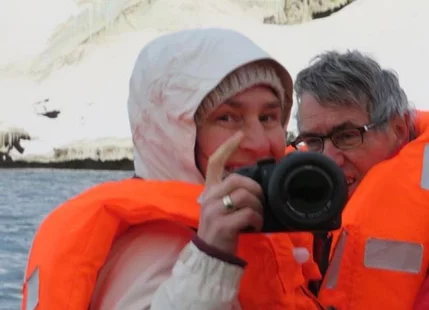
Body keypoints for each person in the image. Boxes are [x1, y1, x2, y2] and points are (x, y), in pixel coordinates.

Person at [21, 28, 324, 310]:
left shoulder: (266, 222)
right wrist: (210, 259)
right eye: (227, 118)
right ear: (173, 135)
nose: (258, 142)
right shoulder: (153, 250)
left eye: (269, 117)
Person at [291, 50, 429, 310]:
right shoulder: (282, 203)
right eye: (313, 142)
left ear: (398, 130)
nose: (329, 159)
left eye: (347, 136)